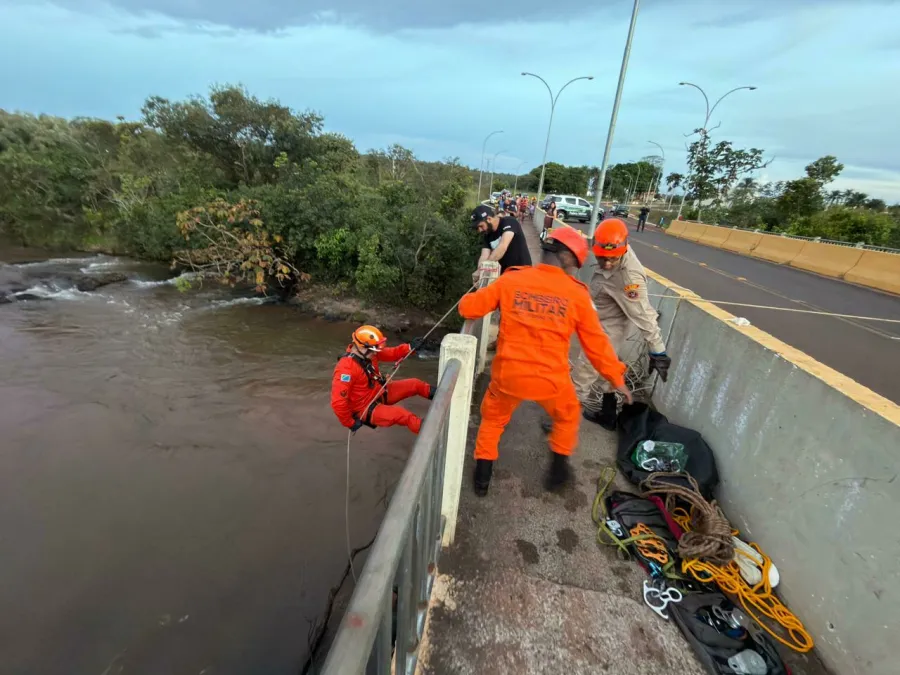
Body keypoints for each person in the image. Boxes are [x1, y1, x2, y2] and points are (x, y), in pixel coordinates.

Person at [458, 225, 632, 496]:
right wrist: (617, 379)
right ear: (572, 262)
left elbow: (469, 308)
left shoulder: (511, 280)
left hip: (508, 377)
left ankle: (482, 479)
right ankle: (558, 469)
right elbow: (597, 344)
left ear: (546, 252)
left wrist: (471, 292)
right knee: (568, 414)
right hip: (551, 382)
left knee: (492, 421)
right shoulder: (577, 294)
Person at [571, 219, 672, 430]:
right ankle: (607, 416)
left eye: (612, 260)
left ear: (623, 250)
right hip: (598, 319)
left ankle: (563, 420)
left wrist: (658, 351)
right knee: (606, 369)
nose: (607, 264)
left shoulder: (629, 278)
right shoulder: (610, 246)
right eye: (602, 258)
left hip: (609, 327)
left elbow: (643, 314)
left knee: (584, 371)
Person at [331, 325, 433, 434]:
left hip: (379, 392)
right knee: (404, 415)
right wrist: (350, 423)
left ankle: (443, 394)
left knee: (415, 384)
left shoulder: (369, 353)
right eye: (373, 351)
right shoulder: (346, 369)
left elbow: (393, 353)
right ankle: (430, 433)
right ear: (362, 347)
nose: (376, 354)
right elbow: (338, 403)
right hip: (365, 408)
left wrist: (410, 347)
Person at [471, 205, 532, 282]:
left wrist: (483, 270)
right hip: (505, 275)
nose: (479, 230)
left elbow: (502, 247)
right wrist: (479, 271)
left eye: (481, 226)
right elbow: (484, 256)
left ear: (489, 219)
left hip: (522, 271)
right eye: (477, 228)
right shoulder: (487, 235)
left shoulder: (510, 222)